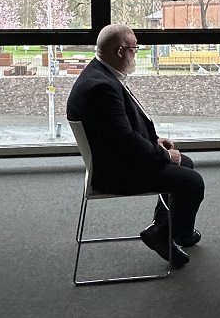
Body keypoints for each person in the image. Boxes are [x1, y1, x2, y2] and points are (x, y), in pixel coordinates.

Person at [66, 24, 205, 267]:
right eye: (134, 49)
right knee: (192, 182)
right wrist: (162, 154)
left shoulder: (100, 73)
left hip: (112, 159)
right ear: (120, 52)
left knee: (186, 164)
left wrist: (154, 142)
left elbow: (119, 130)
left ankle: (166, 229)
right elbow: (125, 141)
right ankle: (171, 234)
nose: (136, 53)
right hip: (114, 173)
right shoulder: (103, 87)